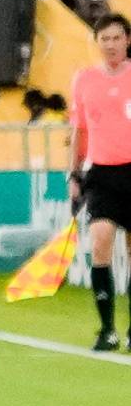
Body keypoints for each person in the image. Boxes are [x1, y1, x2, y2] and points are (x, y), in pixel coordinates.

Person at [70, 18, 131, 352]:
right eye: (105, 38)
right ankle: (107, 329)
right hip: (102, 174)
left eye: (116, 38)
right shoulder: (85, 80)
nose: (110, 44)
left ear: (127, 41)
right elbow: (79, 131)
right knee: (101, 241)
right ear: (97, 41)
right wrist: (74, 175)